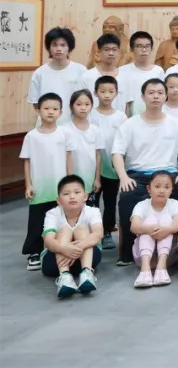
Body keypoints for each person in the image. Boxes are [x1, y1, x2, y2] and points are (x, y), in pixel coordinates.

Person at [112, 79, 178, 267]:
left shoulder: (175, 124)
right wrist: (123, 177)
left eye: (160, 92)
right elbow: (117, 153)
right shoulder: (129, 124)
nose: (156, 96)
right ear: (143, 97)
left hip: (169, 173)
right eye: (151, 93)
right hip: (138, 174)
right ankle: (128, 253)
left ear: (165, 96)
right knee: (127, 195)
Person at [21, 93, 69, 272]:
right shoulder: (31, 136)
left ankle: (55, 248)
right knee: (36, 220)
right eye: (46, 108)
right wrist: (28, 184)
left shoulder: (64, 133)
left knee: (60, 219)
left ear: (61, 112)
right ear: (38, 111)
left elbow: (68, 158)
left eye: (55, 109)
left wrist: (70, 182)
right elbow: (27, 160)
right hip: (39, 188)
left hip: (59, 187)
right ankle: (34, 252)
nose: (50, 112)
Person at [41, 174, 103, 298]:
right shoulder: (52, 214)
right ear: (58, 200)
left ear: (85, 196)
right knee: (65, 230)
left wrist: (75, 248)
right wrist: (64, 249)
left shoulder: (92, 211)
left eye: (77, 192)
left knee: (82, 229)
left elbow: (98, 234)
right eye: (66, 194)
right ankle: (65, 277)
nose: (72, 196)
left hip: (88, 258)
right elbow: (48, 240)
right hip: (55, 263)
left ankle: (86, 273)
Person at [129, 170, 178, 288]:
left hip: (168, 257)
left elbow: (177, 225)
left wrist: (166, 230)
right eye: (157, 186)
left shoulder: (175, 204)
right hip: (142, 257)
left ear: (171, 190)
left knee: (166, 220)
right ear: (149, 188)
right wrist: (151, 229)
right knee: (150, 221)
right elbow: (134, 227)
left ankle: (161, 268)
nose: (162, 190)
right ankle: (144, 271)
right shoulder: (142, 205)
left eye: (167, 187)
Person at [28, 27, 87, 124]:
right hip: (47, 124)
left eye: (63, 45)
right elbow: (35, 103)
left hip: (74, 124)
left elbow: (87, 99)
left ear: (69, 47)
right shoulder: (39, 73)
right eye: (54, 45)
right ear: (49, 48)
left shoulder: (81, 70)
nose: (59, 49)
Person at [90, 76, 123, 250]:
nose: (107, 95)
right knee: (92, 201)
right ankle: (92, 233)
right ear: (95, 93)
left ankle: (107, 231)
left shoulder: (121, 117)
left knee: (110, 200)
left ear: (116, 93)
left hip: (112, 167)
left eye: (111, 91)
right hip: (92, 167)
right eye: (102, 91)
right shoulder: (90, 114)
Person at [63, 90, 101, 209]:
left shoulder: (95, 130)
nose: (83, 108)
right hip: (70, 179)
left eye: (87, 104)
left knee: (89, 211)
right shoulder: (64, 129)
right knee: (71, 211)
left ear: (91, 106)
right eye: (78, 104)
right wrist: (69, 180)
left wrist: (97, 179)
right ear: (71, 106)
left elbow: (98, 155)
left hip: (89, 179)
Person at [117, 31, 163, 117]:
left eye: (147, 46)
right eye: (139, 46)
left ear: (152, 49)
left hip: (152, 117)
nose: (144, 50)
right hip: (127, 117)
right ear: (131, 49)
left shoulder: (158, 71)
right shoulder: (122, 71)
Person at [79, 34, 121, 107]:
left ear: (118, 52)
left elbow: (128, 105)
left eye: (114, 50)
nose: (111, 53)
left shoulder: (125, 76)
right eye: (107, 50)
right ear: (98, 52)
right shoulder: (87, 76)